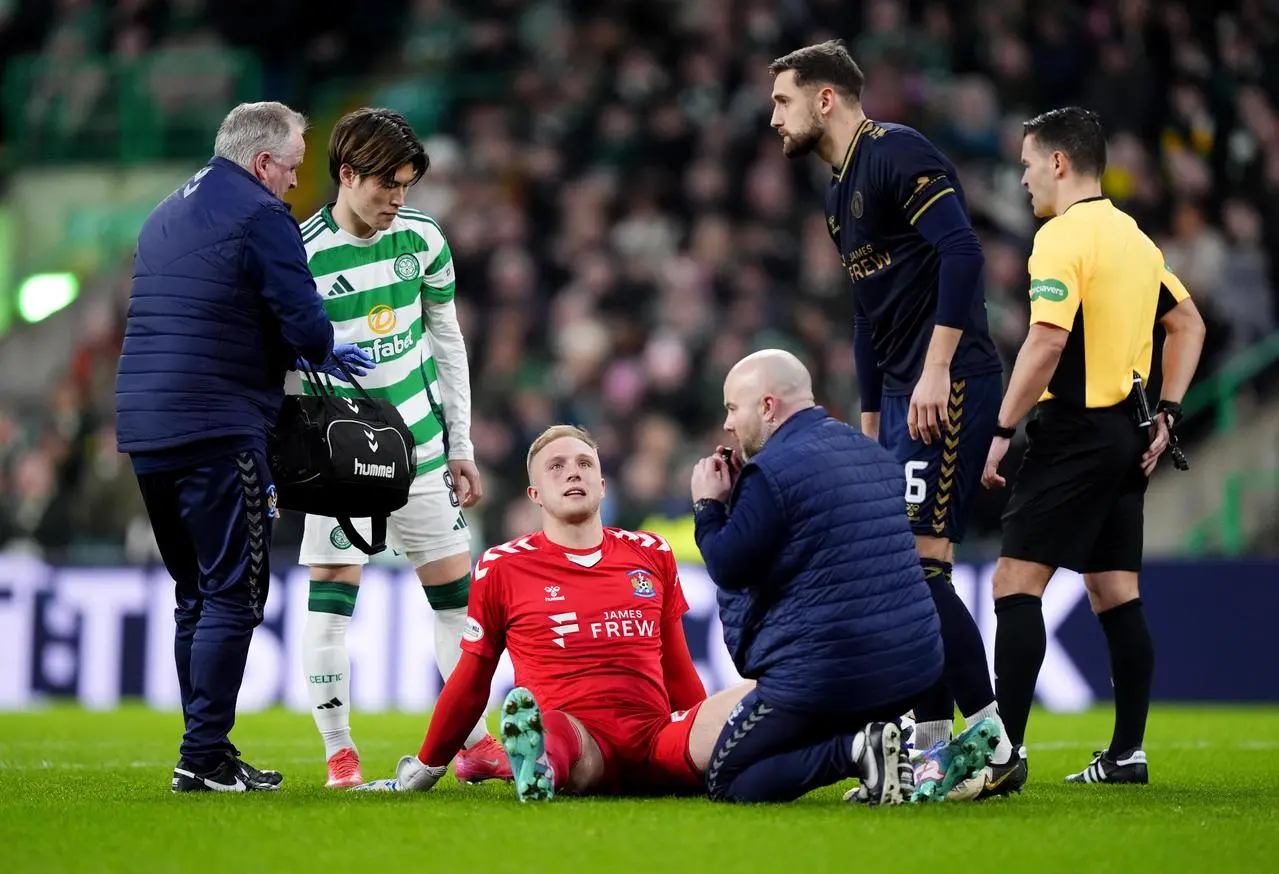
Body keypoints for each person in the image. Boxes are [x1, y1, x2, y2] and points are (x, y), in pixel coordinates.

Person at [767, 39, 1012, 785]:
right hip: (903, 395)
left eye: (782, 100)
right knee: (905, 576)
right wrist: (871, 427)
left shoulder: (897, 153)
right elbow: (866, 316)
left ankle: (993, 744)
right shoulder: (837, 191)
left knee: (922, 567)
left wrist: (936, 369)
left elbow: (963, 255)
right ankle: (936, 753)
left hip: (952, 380)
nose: (772, 116)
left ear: (825, 98)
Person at [115, 101, 374, 793]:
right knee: (234, 593)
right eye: (291, 167)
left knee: (194, 593)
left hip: (147, 428)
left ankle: (205, 750)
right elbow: (304, 321)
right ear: (262, 163)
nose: (296, 182)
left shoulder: (165, 211)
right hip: (219, 426)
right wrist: (325, 349)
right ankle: (202, 758)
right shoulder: (262, 216)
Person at [982, 107, 1206, 789]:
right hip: (1129, 432)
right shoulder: (1134, 239)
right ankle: (1126, 753)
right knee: (1114, 591)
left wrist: (998, 431)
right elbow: (1186, 323)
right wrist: (1167, 410)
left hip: (1075, 429)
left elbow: (1046, 341)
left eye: (1026, 164)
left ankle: (1003, 756)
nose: (1021, 179)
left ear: (1057, 163)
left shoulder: (1059, 237)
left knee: (1014, 583)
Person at [355, 424, 755, 800]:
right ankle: (540, 764)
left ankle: (802, 752)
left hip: (656, 738)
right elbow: (471, 679)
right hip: (581, 743)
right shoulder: (503, 566)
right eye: (556, 467)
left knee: (761, 694)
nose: (573, 474)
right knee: (553, 729)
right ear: (536, 495)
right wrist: (427, 766)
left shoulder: (651, 552)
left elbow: (677, 666)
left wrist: (696, 728)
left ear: (601, 486)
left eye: (584, 464)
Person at [690, 349, 999, 805]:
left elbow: (729, 567)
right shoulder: (869, 452)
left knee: (727, 778)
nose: (728, 425)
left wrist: (709, 507)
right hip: (910, 673)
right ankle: (891, 750)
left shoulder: (771, 470)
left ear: (768, 406)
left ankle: (858, 749)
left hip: (830, 672)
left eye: (733, 409)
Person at [294, 107, 500, 789]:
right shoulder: (302, 254)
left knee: (455, 605)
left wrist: (460, 442)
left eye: (407, 186)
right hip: (337, 459)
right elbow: (280, 366)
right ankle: (338, 751)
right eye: (387, 185)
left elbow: (447, 341)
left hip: (420, 449)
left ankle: (473, 741)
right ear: (347, 173)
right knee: (331, 600)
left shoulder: (421, 240)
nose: (397, 200)